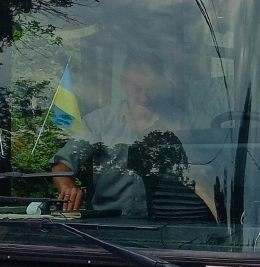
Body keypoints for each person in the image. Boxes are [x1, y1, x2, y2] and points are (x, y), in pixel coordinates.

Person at [51, 50, 188, 215]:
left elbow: (199, 172)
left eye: (151, 89)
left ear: (161, 87)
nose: (144, 98)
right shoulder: (98, 123)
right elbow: (62, 164)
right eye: (137, 89)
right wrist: (68, 187)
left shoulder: (180, 123)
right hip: (109, 225)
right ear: (124, 83)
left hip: (167, 225)